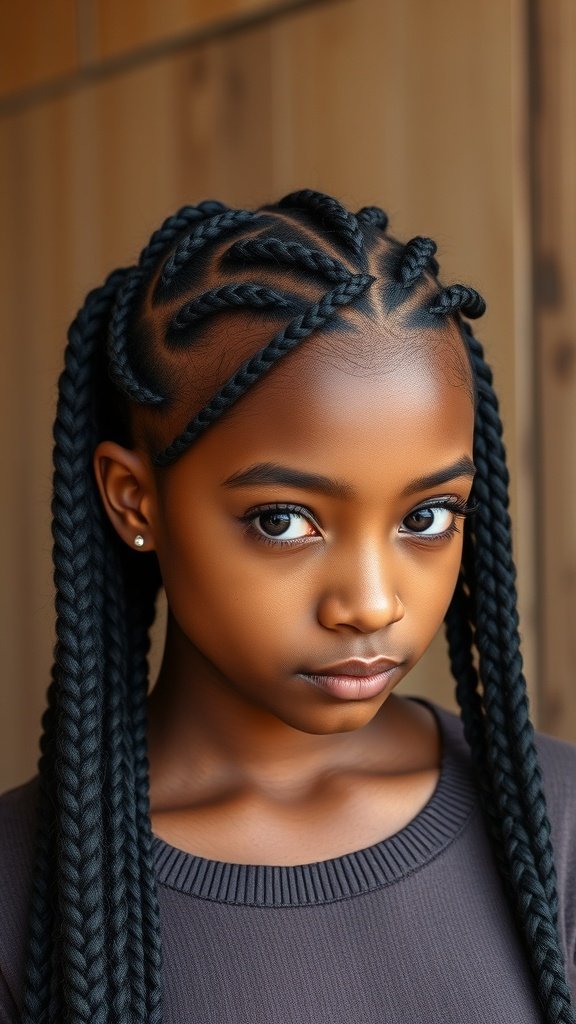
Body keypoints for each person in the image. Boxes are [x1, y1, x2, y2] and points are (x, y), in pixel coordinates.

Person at [0, 189, 574, 1024]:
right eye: (283, 521)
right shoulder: (22, 898)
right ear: (134, 502)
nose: (371, 605)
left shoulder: (557, 821)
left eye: (426, 518)